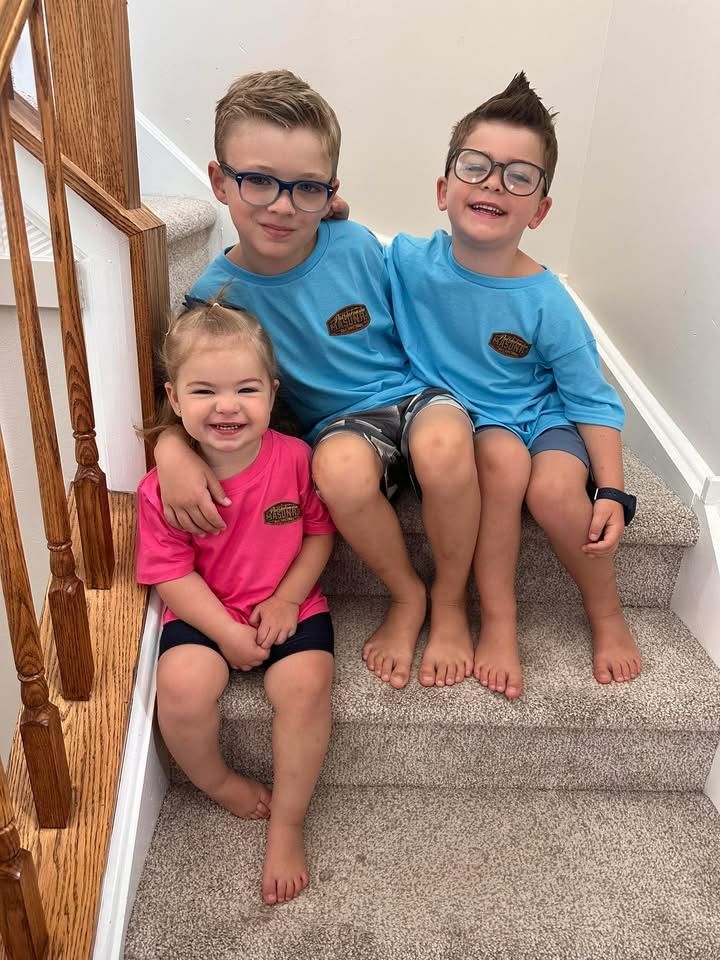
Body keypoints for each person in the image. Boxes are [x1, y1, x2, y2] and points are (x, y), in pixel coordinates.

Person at [153, 69, 481, 690]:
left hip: (414, 394)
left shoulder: (353, 243)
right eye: (257, 181)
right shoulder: (213, 303)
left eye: (304, 188)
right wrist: (170, 447)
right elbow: (183, 392)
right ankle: (407, 594)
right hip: (340, 426)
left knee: (443, 446)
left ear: (330, 192)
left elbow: (420, 314)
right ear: (219, 181)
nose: (280, 205)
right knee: (335, 473)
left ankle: (451, 603)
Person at [386, 72, 642, 700]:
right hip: (472, 424)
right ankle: (499, 622)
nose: (495, 183)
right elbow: (339, 257)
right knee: (500, 462)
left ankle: (606, 613)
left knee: (556, 492)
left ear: (540, 208)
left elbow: (590, 398)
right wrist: (330, 217)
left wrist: (612, 487)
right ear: (445, 189)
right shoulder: (404, 262)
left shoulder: (547, 300)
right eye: (476, 167)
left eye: (519, 176)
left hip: (544, 417)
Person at [136, 300, 335, 905]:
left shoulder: (295, 459)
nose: (227, 406)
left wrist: (287, 600)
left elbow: (319, 534)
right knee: (180, 689)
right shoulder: (161, 487)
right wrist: (223, 632)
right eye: (205, 391)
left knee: (306, 688)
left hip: (290, 603)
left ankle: (289, 822)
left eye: (246, 389)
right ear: (174, 401)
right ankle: (219, 782)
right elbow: (169, 574)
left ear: (273, 395)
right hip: (203, 612)